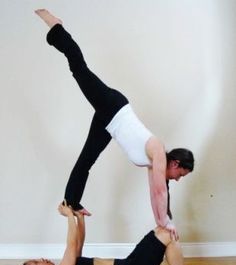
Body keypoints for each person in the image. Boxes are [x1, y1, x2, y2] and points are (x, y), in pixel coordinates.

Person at [35, 9, 195, 240]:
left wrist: (164, 222)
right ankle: (56, 28)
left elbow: (157, 194)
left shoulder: (155, 163)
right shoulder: (158, 151)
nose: (178, 179)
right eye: (181, 174)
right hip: (113, 107)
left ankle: (71, 201)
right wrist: (166, 222)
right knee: (79, 69)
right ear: (175, 162)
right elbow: (161, 191)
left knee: (86, 160)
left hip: (109, 122)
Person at [20, 203, 207, 265]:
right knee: (168, 235)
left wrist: (80, 218)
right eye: (37, 262)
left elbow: (77, 245)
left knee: (162, 230)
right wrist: (68, 215)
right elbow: (70, 246)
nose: (42, 259)